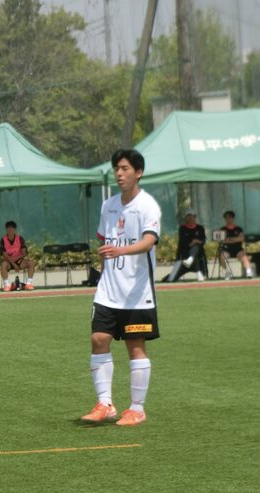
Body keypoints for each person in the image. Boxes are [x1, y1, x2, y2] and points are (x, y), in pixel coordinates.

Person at [82, 149, 161, 427]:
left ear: (138, 172)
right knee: (98, 339)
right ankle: (105, 404)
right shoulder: (108, 205)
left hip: (137, 293)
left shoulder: (147, 205)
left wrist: (121, 250)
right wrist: (105, 270)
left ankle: (137, 409)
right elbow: (104, 241)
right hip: (108, 290)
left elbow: (149, 241)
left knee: (135, 346)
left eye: (125, 168)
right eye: (117, 168)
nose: (119, 173)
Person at [0, 221, 36, 291]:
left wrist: (17, 259)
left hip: (19, 261)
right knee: (3, 264)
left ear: (14, 229)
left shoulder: (20, 239)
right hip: (9, 262)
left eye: (12, 228)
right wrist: (14, 264)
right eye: (8, 229)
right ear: (6, 230)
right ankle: (7, 285)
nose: (10, 230)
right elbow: (5, 255)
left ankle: (28, 284)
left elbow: (24, 253)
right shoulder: (3, 240)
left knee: (31, 263)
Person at [219, 210, 254, 279]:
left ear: (232, 218)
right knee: (222, 257)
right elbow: (222, 240)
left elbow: (241, 238)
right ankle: (227, 272)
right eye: (226, 218)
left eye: (229, 217)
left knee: (244, 257)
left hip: (237, 249)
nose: (227, 219)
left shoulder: (239, 229)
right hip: (227, 249)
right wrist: (234, 239)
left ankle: (249, 272)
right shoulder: (222, 229)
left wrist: (229, 239)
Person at [177, 210, 207, 281]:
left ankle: (191, 260)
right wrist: (191, 243)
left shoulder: (200, 228)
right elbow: (182, 242)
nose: (190, 218)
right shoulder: (182, 228)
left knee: (196, 247)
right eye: (188, 216)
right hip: (185, 251)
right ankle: (198, 271)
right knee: (170, 279)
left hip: (198, 250)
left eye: (192, 216)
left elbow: (203, 240)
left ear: (195, 217)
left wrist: (196, 241)